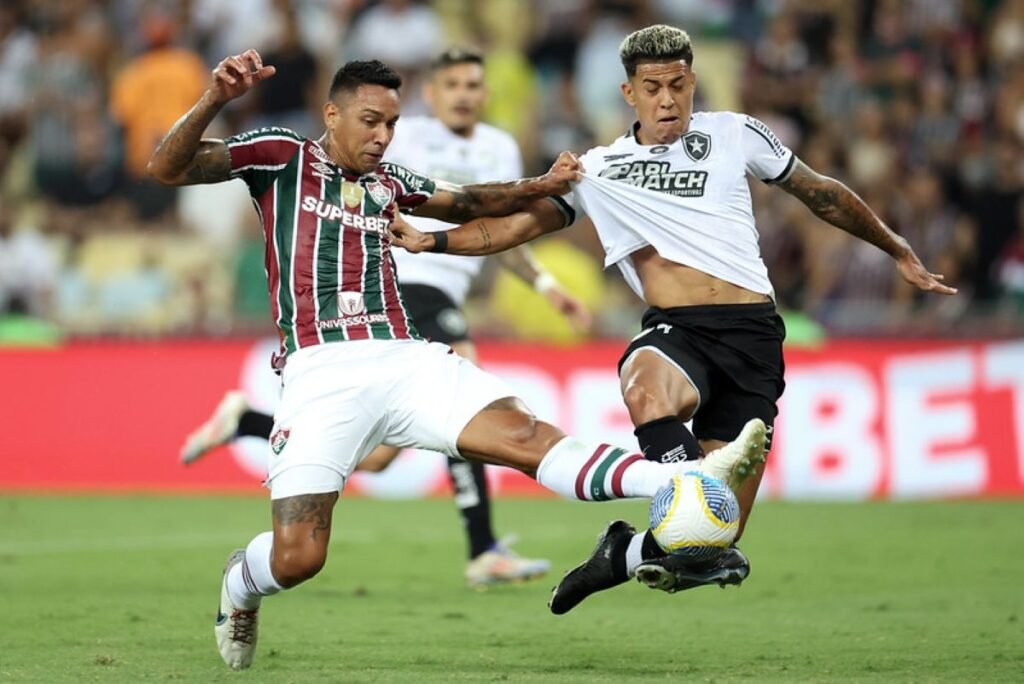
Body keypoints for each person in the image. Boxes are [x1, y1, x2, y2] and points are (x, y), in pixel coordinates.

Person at [148, 50, 767, 670]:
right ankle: (240, 584)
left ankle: (686, 482)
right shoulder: (282, 155)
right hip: (321, 370)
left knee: (525, 435)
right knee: (298, 559)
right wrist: (214, 100)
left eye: (391, 123)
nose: (382, 137)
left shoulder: (391, 181)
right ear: (331, 114)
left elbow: (470, 202)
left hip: (406, 357)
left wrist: (542, 187)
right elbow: (167, 167)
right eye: (369, 121)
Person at [389, 24, 958, 614]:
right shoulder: (598, 168)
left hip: (754, 337)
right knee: (645, 384)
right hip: (677, 330)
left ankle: (621, 554)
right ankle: (681, 490)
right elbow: (511, 229)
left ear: (694, 84)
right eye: (653, 87)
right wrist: (430, 243)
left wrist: (895, 247)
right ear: (629, 93)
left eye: (679, 85)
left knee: (713, 537)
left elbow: (820, 192)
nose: (668, 100)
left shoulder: (736, 134)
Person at [178, 47, 592, 589]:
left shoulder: (496, 147)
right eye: (454, 84)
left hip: (423, 303)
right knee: (465, 381)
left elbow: (485, 215)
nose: (464, 94)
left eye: (473, 84)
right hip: (401, 292)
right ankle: (483, 546)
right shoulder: (395, 137)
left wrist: (543, 275)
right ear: (435, 92)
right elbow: (172, 168)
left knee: (375, 462)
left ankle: (249, 422)